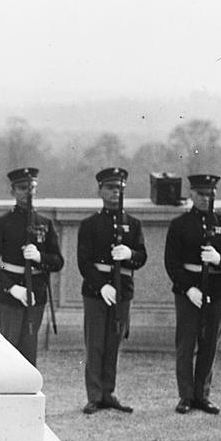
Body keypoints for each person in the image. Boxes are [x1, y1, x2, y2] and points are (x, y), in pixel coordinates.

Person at [163, 173, 221, 415]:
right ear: (192, 195)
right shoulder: (179, 225)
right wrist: (189, 288)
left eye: (210, 194)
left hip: (216, 290)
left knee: (209, 345)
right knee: (186, 344)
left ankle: (202, 395)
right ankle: (185, 395)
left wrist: (219, 258)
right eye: (201, 194)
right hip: (189, 291)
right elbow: (172, 263)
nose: (206, 199)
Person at [76, 168, 147, 414]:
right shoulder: (90, 225)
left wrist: (130, 254)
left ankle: (109, 392)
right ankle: (95, 395)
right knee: (95, 343)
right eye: (110, 188)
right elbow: (83, 262)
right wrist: (101, 285)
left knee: (113, 342)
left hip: (122, 290)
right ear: (100, 190)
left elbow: (142, 256)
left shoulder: (133, 224)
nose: (115, 193)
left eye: (119, 188)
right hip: (97, 291)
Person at [0, 167, 64, 367]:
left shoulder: (45, 223)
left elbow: (57, 261)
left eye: (32, 187)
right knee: (9, 348)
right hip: (11, 293)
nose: (28, 192)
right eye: (23, 188)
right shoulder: (3, 223)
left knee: (29, 347)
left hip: (36, 291)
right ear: (13, 191)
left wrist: (39, 257)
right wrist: (12, 288)